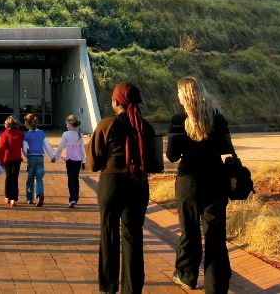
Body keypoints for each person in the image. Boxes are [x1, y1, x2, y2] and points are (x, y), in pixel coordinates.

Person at [87, 82, 157, 294]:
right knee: (133, 236)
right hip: (137, 185)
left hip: (111, 183)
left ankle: (109, 286)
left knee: (108, 233)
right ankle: (132, 288)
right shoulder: (146, 126)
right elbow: (153, 163)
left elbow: (93, 163)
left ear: (116, 102)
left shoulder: (106, 125)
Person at [167, 76, 235, 294]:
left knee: (189, 231)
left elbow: (172, 156)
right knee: (216, 235)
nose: (177, 96)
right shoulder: (217, 118)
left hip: (189, 182)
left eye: (179, 92)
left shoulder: (179, 120)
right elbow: (227, 150)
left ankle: (187, 275)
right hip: (216, 180)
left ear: (184, 95)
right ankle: (216, 285)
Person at [52, 114, 87, 207]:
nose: (66, 125)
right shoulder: (80, 135)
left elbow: (60, 147)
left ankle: (73, 198)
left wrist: (55, 157)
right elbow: (82, 149)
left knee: (71, 179)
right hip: (78, 160)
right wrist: (84, 161)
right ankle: (76, 197)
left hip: (70, 160)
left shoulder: (66, 134)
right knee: (76, 178)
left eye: (67, 124)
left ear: (70, 124)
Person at [22, 113, 55, 206]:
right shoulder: (41, 133)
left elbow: (24, 149)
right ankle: (40, 195)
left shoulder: (26, 135)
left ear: (27, 123)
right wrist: (52, 157)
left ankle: (29, 199)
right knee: (39, 178)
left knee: (30, 179)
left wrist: (26, 156)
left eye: (25, 122)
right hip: (40, 158)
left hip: (31, 157)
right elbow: (47, 146)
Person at [0, 115, 24, 207]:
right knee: (15, 178)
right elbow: (23, 145)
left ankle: (7, 196)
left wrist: (1, 161)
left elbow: (2, 149)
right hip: (17, 159)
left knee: (8, 177)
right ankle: (13, 199)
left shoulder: (5, 134)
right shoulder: (20, 134)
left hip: (7, 159)